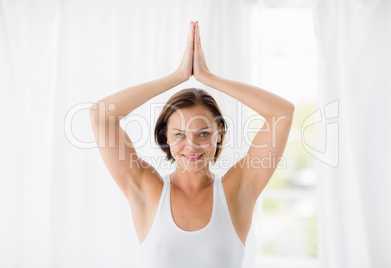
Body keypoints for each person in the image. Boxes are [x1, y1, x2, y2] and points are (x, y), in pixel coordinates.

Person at [89, 21, 294, 268]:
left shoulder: (237, 191)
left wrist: (208, 78)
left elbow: (282, 112)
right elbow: (101, 115)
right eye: (179, 135)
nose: (192, 146)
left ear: (219, 134)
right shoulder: (146, 189)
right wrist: (177, 77)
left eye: (203, 133)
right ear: (165, 136)